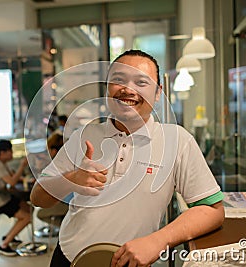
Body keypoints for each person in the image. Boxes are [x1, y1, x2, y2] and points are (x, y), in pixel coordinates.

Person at [30, 49, 224, 266]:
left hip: (131, 262)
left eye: (141, 82)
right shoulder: (85, 136)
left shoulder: (177, 141)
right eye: (118, 80)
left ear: (158, 93)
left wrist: (158, 240)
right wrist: (72, 179)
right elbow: (38, 198)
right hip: (69, 258)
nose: (127, 89)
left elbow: (212, 210)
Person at [0, 140, 31, 256]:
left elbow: (11, 177)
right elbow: (12, 182)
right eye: (10, 151)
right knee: (27, 217)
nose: (12, 153)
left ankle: (10, 235)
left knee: (27, 207)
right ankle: (4, 245)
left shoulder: (0, 163)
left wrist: (25, 179)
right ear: (2, 152)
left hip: (4, 196)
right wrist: (22, 166)